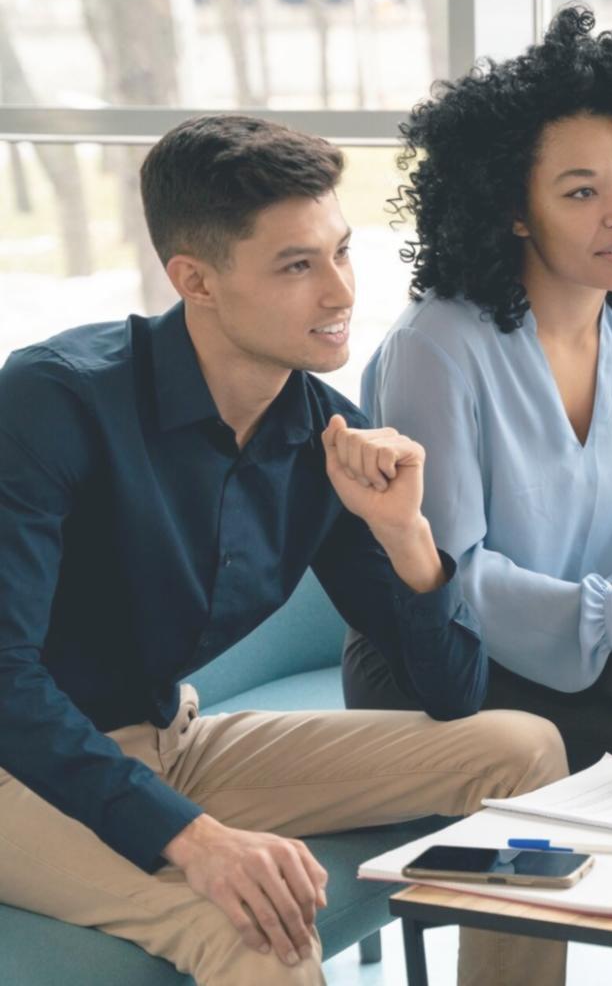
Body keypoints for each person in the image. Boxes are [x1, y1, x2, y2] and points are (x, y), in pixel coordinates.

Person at [0, 114, 569, 986]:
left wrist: (403, 534)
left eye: (341, 253)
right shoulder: (54, 403)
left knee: (521, 748)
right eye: (297, 266)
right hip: (16, 775)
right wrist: (195, 840)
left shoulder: (317, 433)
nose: (340, 293)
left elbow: (452, 694)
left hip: (170, 741)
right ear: (194, 278)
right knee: (255, 929)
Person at [342, 5, 612, 773]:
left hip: (585, 641)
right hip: (441, 657)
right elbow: (453, 575)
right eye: (580, 193)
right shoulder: (436, 347)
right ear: (513, 211)